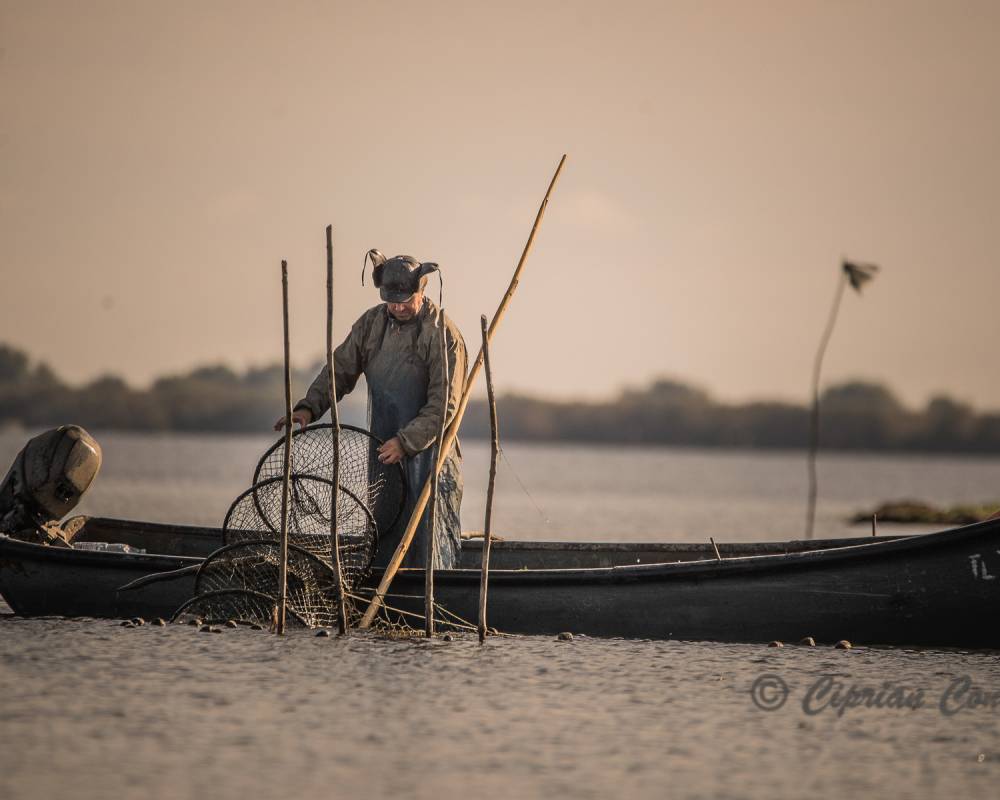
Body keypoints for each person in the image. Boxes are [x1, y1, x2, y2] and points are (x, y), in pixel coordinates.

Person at [275, 250, 467, 569]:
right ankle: (382, 584)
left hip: (429, 453)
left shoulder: (442, 332)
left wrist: (406, 443)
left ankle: (430, 590)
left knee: (426, 536)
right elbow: (340, 369)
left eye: (405, 299)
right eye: (391, 300)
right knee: (385, 526)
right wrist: (309, 408)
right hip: (384, 448)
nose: (398, 307)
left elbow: (445, 404)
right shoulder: (371, 324)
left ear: (422, 291)